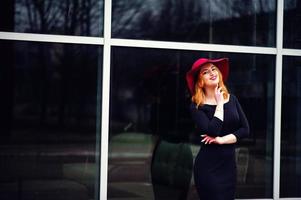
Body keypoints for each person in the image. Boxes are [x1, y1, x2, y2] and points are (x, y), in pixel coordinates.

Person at [186, 58, 249, 200]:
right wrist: (219, 104)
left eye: (214, 69)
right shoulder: (197, 106)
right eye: (205, 72)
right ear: (200, 81)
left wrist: (221, 140)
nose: (212, 73)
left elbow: (245, 130)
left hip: (228, 167)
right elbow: (212, 130)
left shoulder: (232, 100)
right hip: (208, 169)